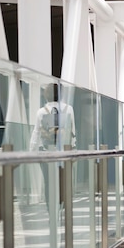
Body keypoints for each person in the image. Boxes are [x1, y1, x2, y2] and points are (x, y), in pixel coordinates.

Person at [29, 83, 76, 211]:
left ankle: (51, 209)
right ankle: (63, 206)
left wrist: (31, 151)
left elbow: (36, 133)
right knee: (64, 180)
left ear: (46, 95)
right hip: (65, 152)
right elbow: (73, 131)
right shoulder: (69, 109)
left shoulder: (41, 112)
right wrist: (73, 148)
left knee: (48, 181)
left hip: (46, 153)